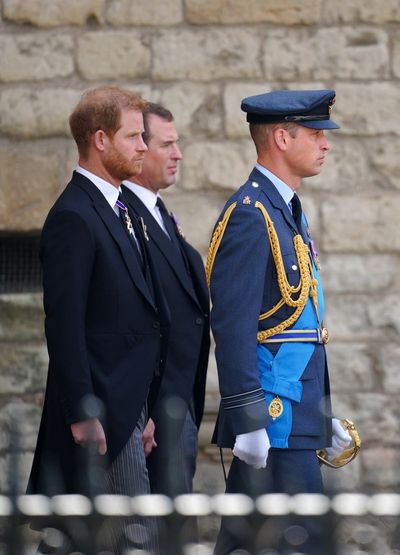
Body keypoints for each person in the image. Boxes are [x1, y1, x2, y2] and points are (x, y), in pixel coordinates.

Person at [207, 89, 352, 554]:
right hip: (271, 419)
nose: (325, 144)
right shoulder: (250, 216)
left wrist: (319, 413)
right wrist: (248, 419)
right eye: (314, 134)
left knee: (253, 541)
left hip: (294, 414)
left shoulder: (284, 210)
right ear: (282, 138)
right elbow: (232, 325)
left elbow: (303, 323)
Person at [27, 86, 170, 555]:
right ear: (100, 139)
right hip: (103, 410)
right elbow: (64, 326)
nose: (144, 147)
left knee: (99, 538)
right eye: (134, 137)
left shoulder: (117, 208)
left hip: (129, 407)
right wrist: (84, 411)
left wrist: (144, 410)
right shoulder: (74, 215)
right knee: (131, 538)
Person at [122, 103, 210, 496]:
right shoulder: (124, 216)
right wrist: (146, 408)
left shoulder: (158, 212)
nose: (178, 154)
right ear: (139, 149)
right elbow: (130, 320)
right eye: (167, 144)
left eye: (178, 144)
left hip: (178, 398)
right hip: (156, 409)